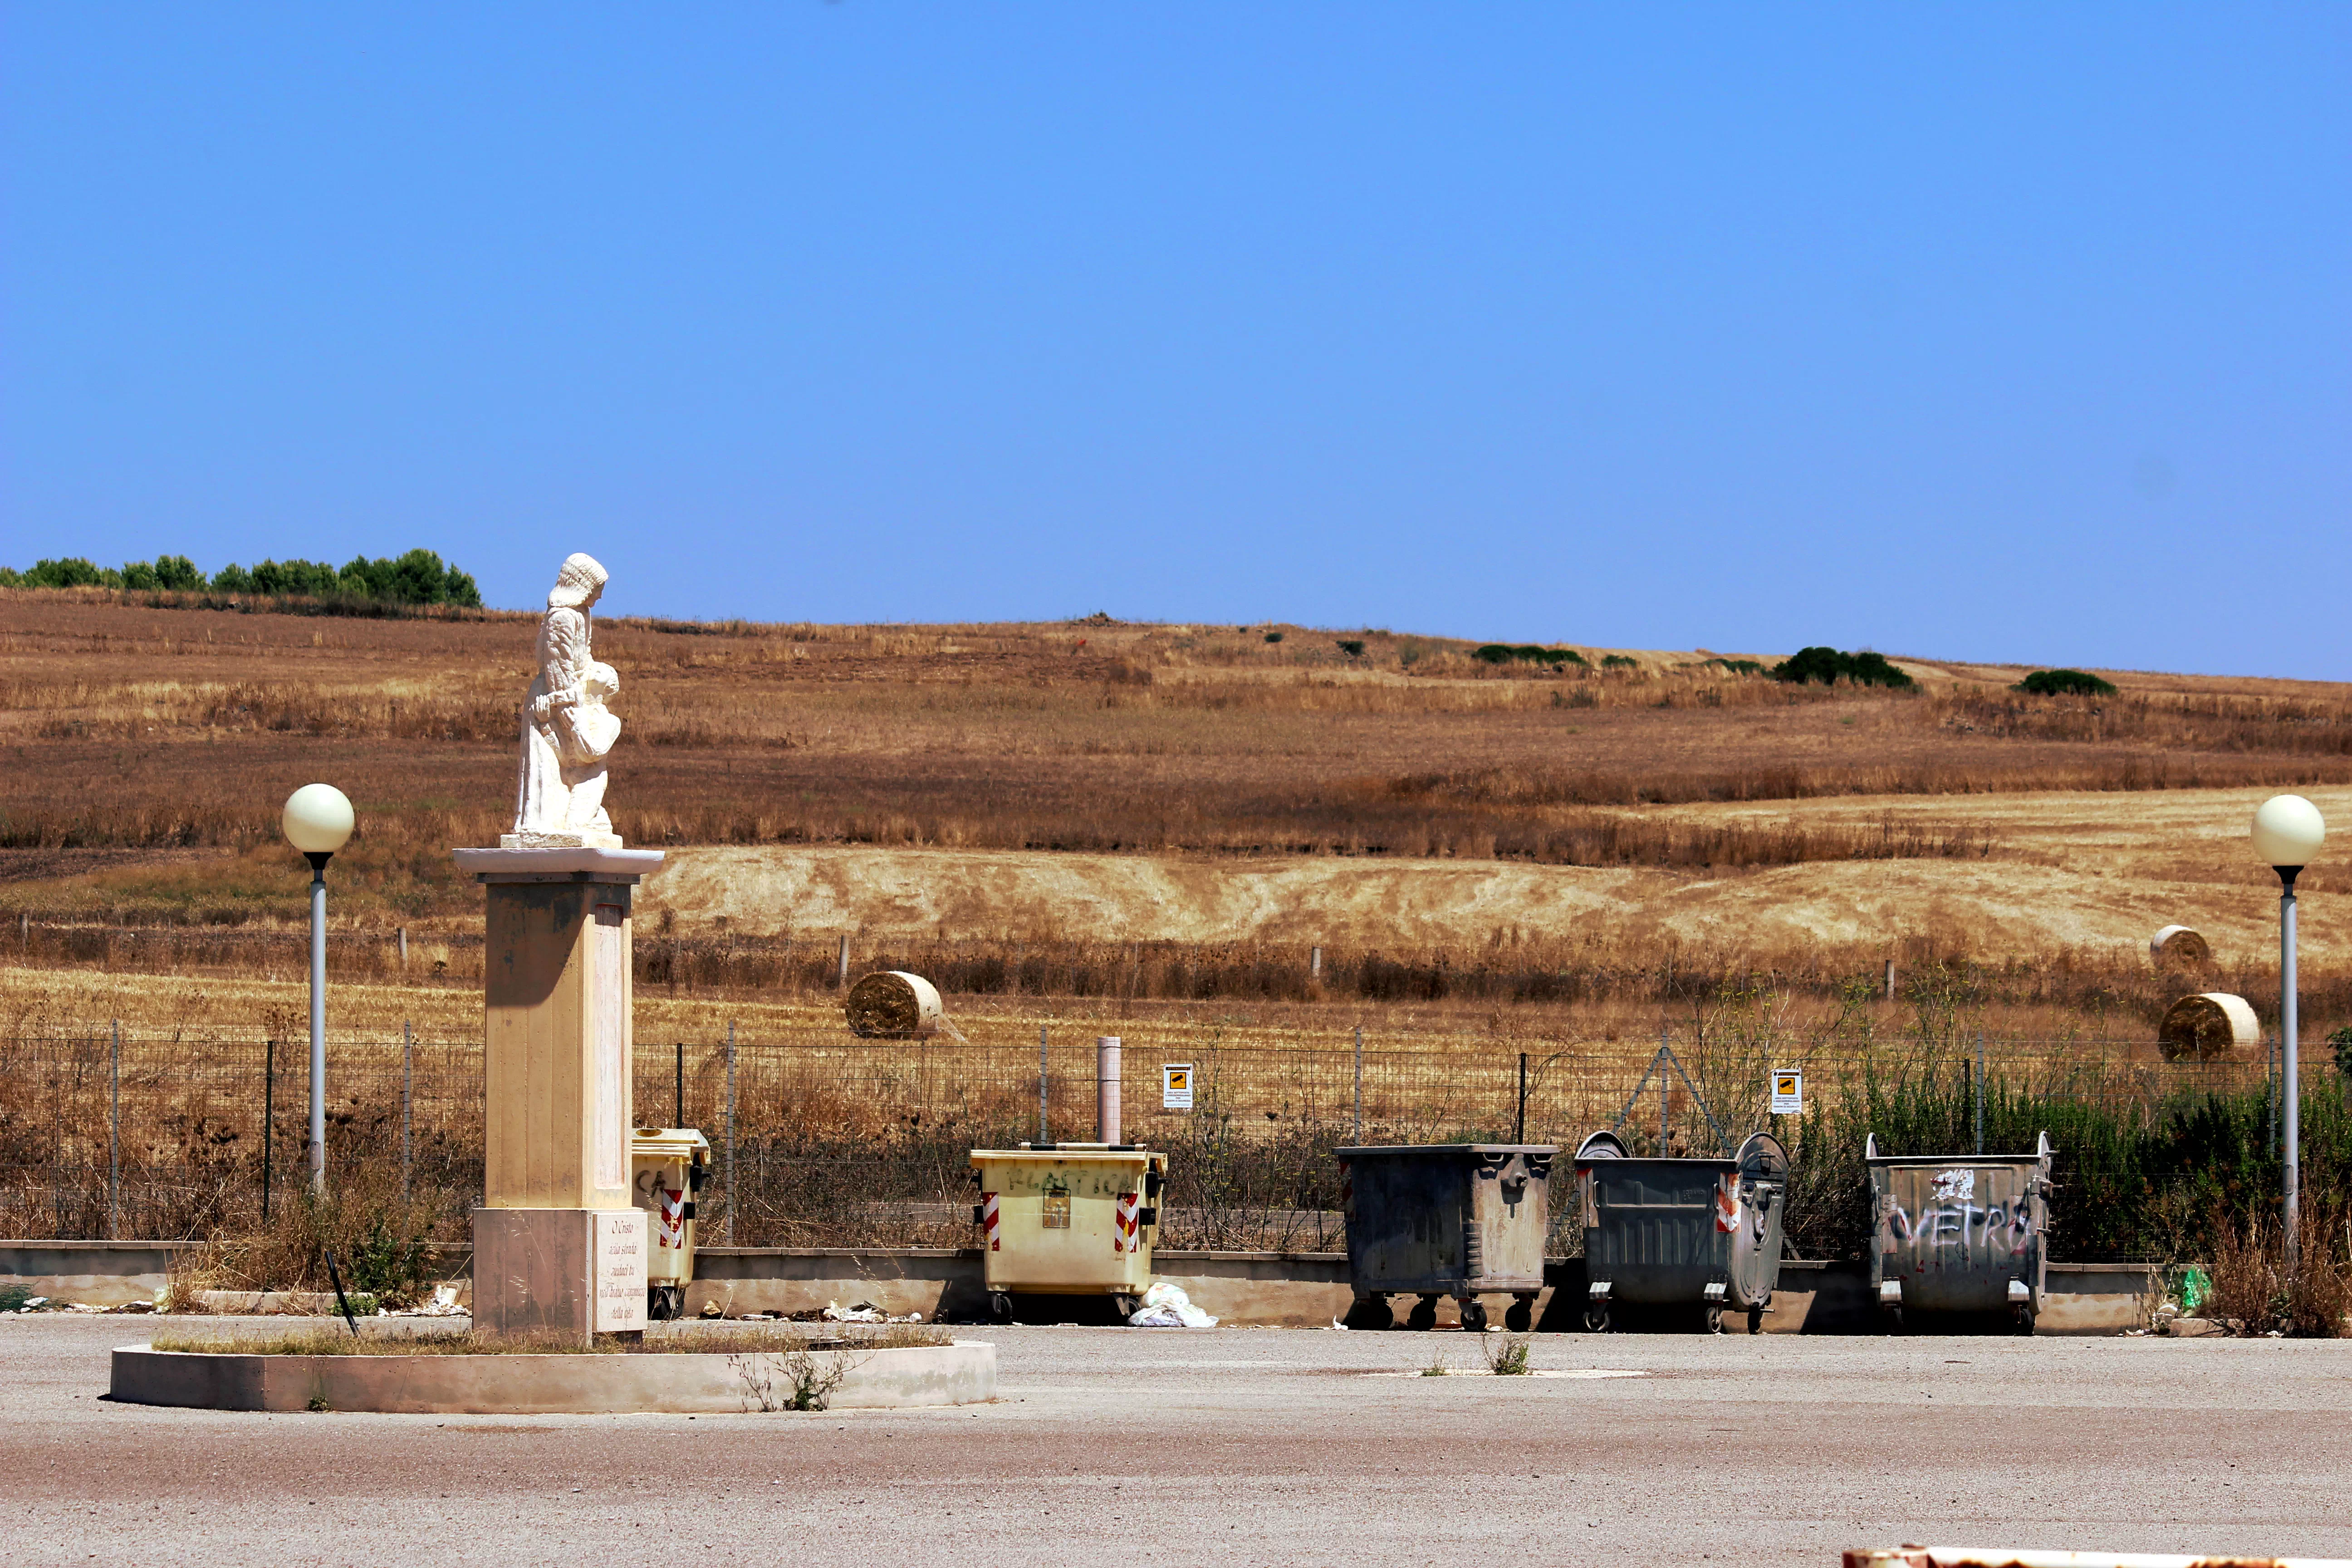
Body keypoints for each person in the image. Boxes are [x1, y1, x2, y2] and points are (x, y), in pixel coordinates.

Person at [506, 552, 623, 847]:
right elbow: (559, 672)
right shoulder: (563, 617)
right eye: (596, 590)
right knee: (548, 776)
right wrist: (570, 720)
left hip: (574, 697)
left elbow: (584, 660)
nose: (599, 597)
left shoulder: (582, 614)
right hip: (554, 701)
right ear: (582, 585)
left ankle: (576, 821)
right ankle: (547, 828)